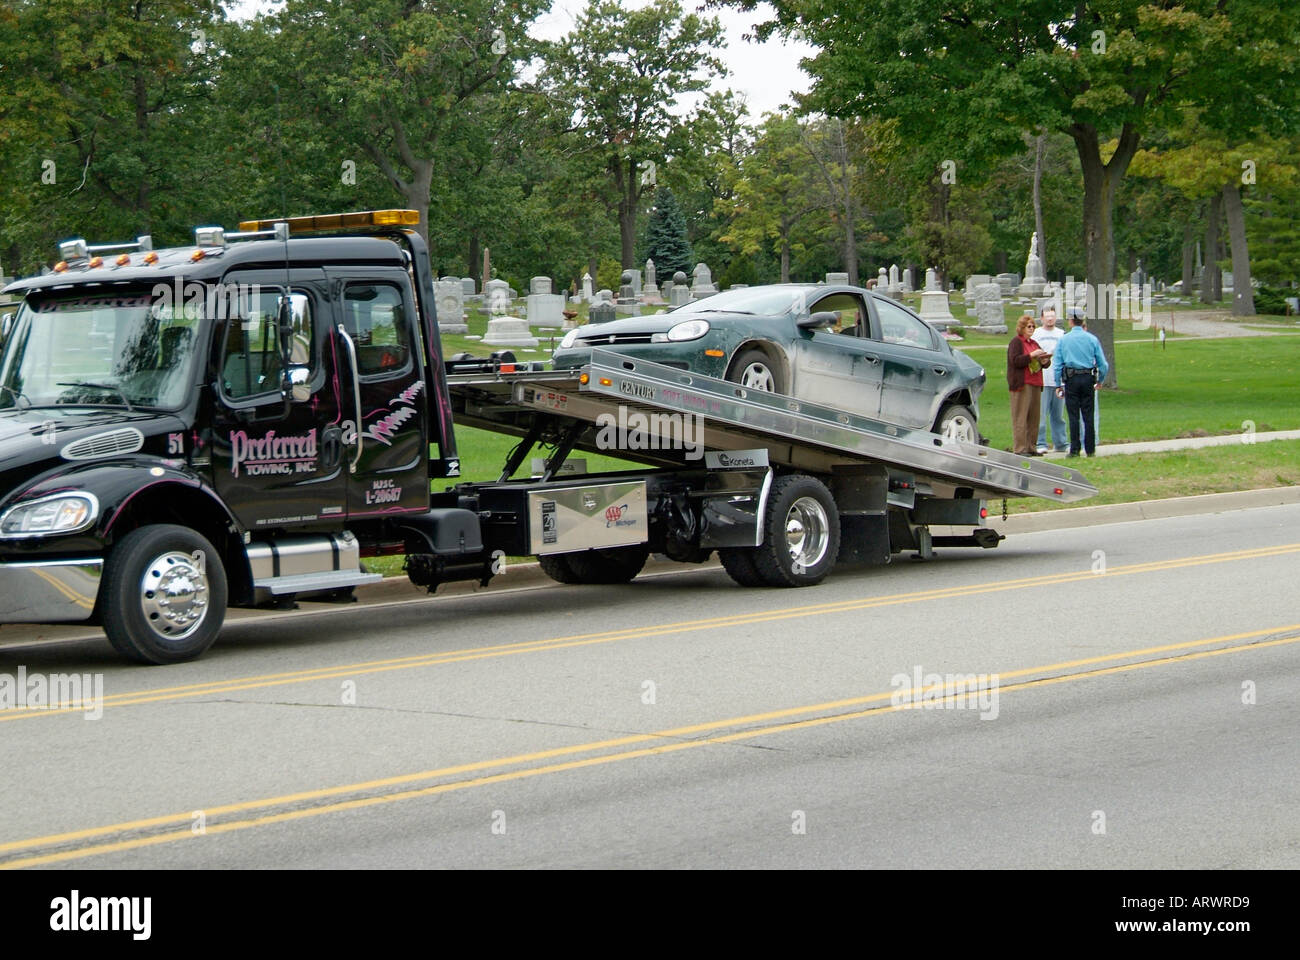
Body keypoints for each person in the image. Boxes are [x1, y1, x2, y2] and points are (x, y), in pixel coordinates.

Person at [1052, 307, 1109, 457]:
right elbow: (1103, 364)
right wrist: (1100, 379)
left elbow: (1057, 365)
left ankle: (1075, 449)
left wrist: (1058, 384)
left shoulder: (1064, 340)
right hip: (1087, 378)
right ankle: (1090, 449)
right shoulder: (1092, 339)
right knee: (1088, 415)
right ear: (1082, 321)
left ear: (1070, 321)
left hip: (1071, 379)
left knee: (1073, 416)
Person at [1006, 314, 1049, 456]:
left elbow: (1044, 363)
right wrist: (1031, 356)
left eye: (1033, 326)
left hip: (1036, 382)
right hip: (1022, 384)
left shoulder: (1034, 343)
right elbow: (1015, 360)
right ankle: (1020, 448)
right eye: (1028, 326)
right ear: (1022, 328)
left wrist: (1044, 361)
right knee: (1021, 417)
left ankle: (1031, 446)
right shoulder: (1016, 342)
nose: (1031, 329)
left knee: (1034, 417)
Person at [1033, 305, 1068, 453]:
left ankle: (1061, 443)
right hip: (1042, 380)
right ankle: (1040, 443)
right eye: (1047, 317)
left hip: (1058, 381)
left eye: (1052, 316)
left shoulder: (1061, 334)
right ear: (1041, 318)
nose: (1050, 319)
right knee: (1040, 414)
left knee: (1058, 415)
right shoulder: (1036, 334)